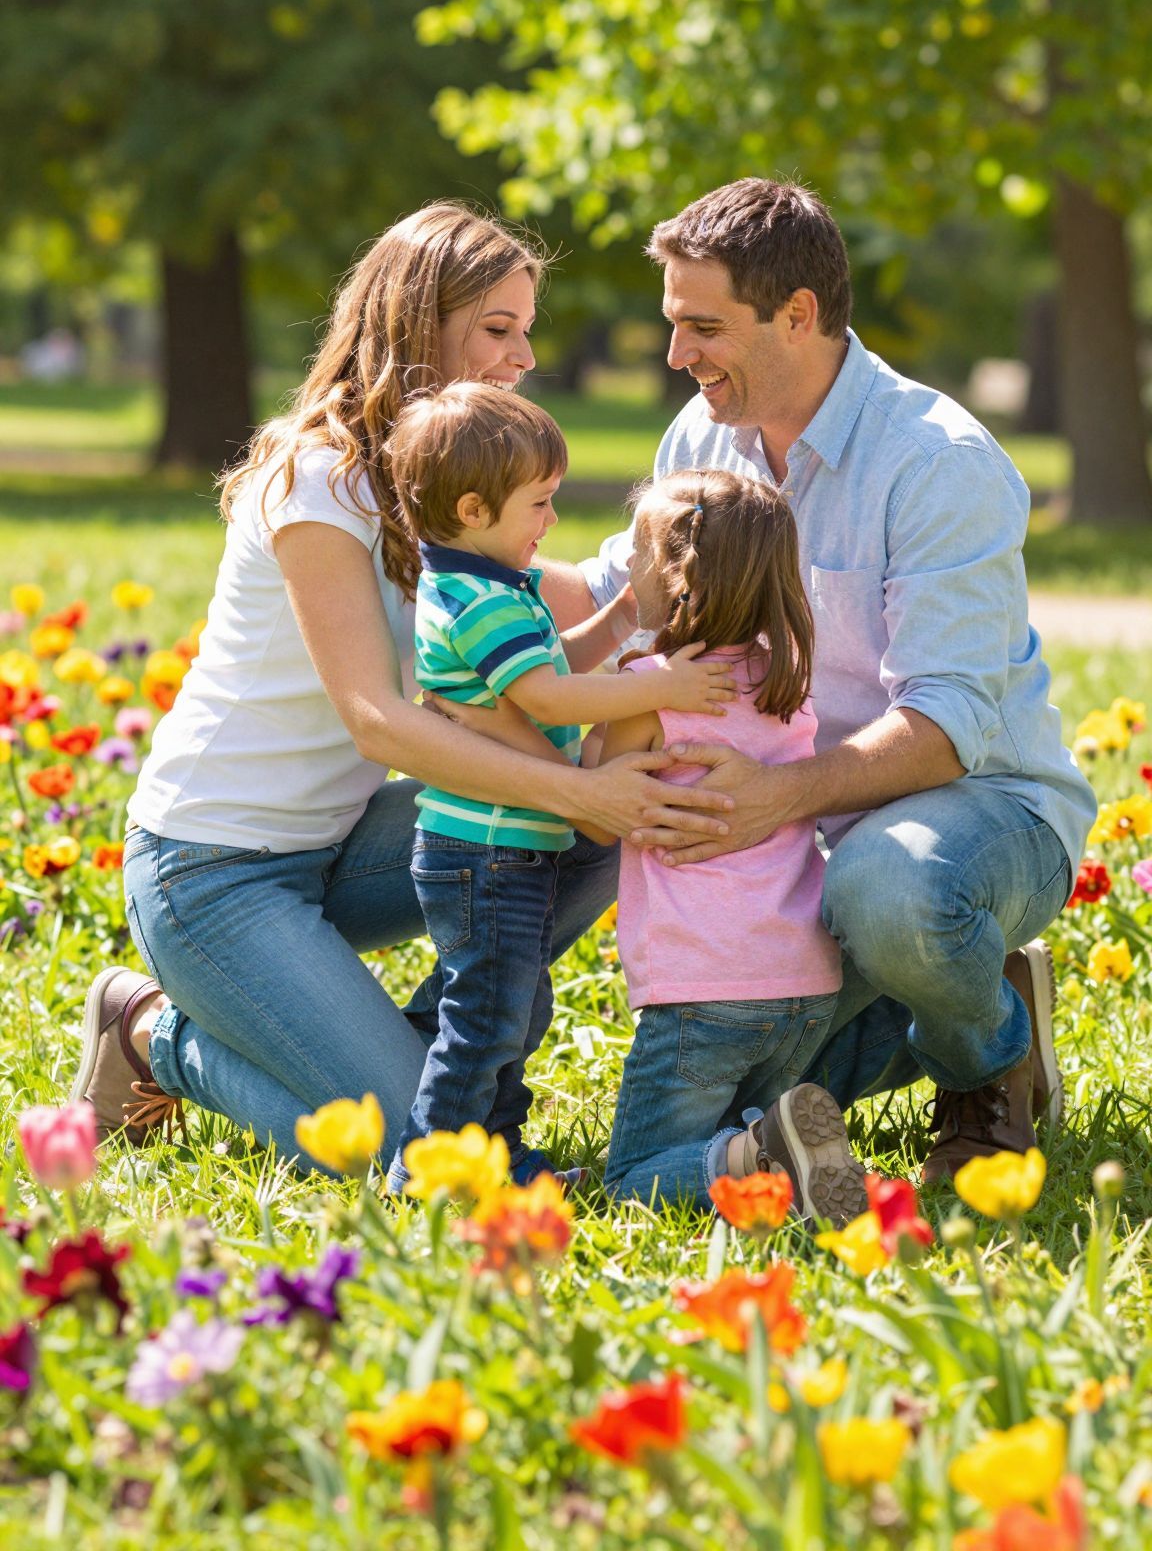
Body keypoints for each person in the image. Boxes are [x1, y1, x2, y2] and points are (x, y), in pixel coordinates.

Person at [69, 204, 734, 1173]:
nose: (522, 358)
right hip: (211, 873)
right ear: (417, 323)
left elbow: (588, 600)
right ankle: (150, 1033)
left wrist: (716, 556)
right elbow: (376, 720)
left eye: (525, 330)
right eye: (497, 329)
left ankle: (434, 1061)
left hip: (339, 848)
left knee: (596, 835)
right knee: (409, 1158)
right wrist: (578, 789)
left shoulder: (447, 485)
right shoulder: (320, 477)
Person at [542, 178, 1096, 1185]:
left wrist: (776, 798)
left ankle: (990, 1057)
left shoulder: (936, 462)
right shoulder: (700, 436)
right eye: (673, 323)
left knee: (887, 890)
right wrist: (449, 573)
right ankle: (942, 993)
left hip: (976, 810)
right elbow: (621, 590)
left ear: (797, 314)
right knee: (749, 1091)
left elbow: (945, 724)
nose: (676, 355)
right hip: (799, 830)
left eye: (704, 327)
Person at [381, 384, 736, 1193]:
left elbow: (548, 666)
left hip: (506, 845)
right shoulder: (476, 600)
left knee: (513, 1009)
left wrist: (620, 618)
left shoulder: (492, 586)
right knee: (487, 1019)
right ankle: (426, 1169)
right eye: (538, 503)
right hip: (485, 849)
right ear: (473, 510)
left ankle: (496, 1152)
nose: (551, 520)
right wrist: (661, 687)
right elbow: (546, 698)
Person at [600, 469, 866, 1223]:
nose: (627, 564)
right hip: (804, 983)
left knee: (634, 1179)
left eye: (638, 552)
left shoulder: (651, 688)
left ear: (677, 578)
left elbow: (595, 811)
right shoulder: (786, 680)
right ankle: (771, 1150)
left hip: (702, 988)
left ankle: (758, 1159)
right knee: (729, 1123)